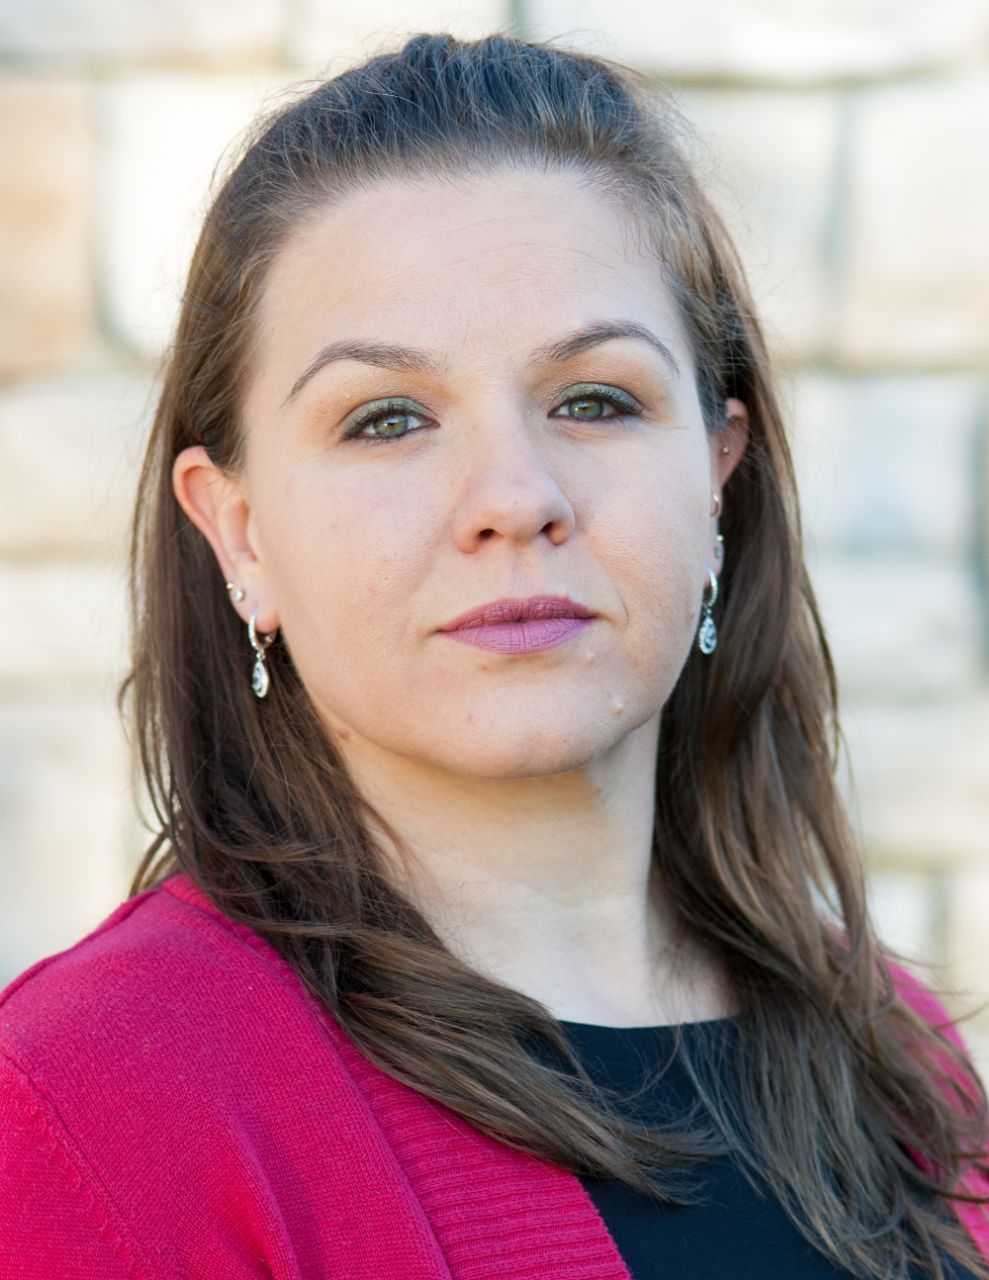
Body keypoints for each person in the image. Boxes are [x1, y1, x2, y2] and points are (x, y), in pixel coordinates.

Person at [1, 30, 987, 1280]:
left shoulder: (890, 1048)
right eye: (387, 419)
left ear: (716, 476)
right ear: (240, 533)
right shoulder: (92, 1105)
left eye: (593, 397)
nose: (513, 498)